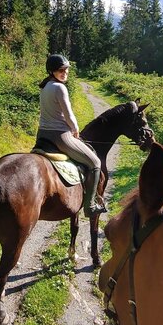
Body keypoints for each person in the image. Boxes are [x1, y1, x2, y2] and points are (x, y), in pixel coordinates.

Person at [36, 54, 106, 216]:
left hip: (42, 135)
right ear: (52, 71)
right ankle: (90, 206)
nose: (65, 73)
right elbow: (68, 114)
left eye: (66, 70)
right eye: (61, 70)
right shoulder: (60, 88)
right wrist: (75, 129)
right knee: (95, 163)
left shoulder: (45, 87)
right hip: (60, 136)